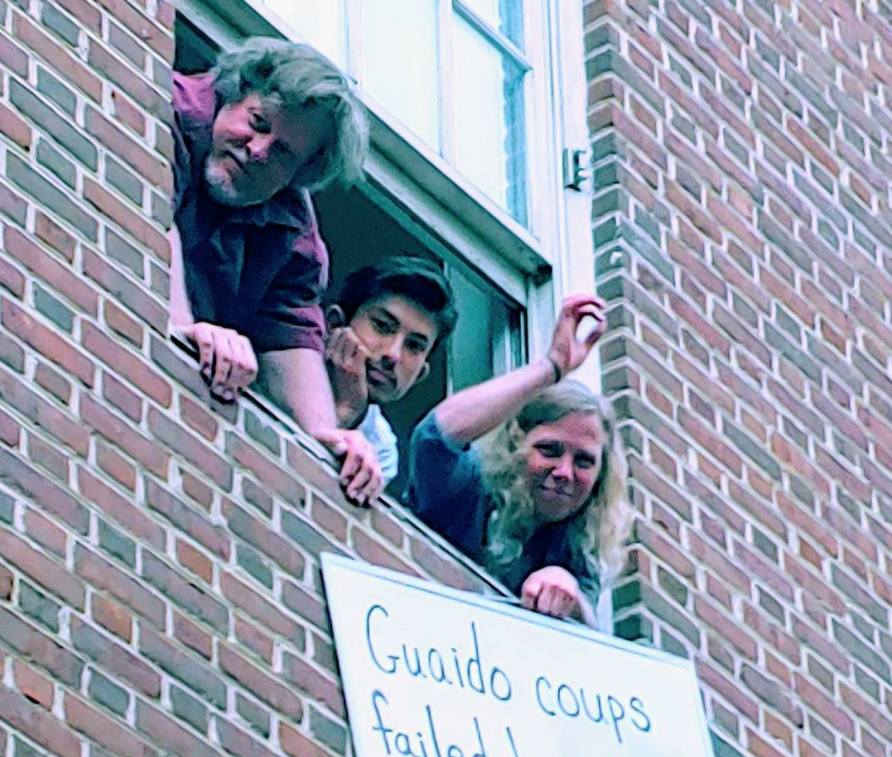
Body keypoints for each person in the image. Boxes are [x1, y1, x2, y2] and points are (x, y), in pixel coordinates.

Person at [168, 38, 381, 504]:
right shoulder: (164, 113)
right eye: (256, 122)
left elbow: (292, 345)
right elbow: (146, 213)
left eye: (283, 153)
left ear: (297, 176)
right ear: (228, 95)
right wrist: (188, 331)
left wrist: (333, 441)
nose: (259, 150)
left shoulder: (295, 240)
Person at [408, 294, 631, 628]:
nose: (564, 472)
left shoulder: (578, 544)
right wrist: (551, 368)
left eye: (584, 461)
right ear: (515, 447)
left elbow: (588, 643)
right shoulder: (468, 486)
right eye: (550, 450)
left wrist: (571, 597)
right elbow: (433, 437)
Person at [324, 258, 458, 484]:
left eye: (414, 346)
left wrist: (348, 411)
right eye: (382, 326)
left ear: (419, 375)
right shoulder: (278, 360)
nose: (393, 355)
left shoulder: (382, 449)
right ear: (335, 323)